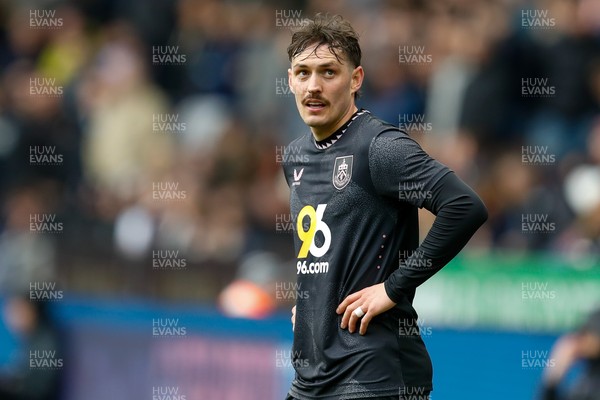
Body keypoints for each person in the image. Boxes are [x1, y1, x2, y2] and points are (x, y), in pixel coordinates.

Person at [281, 14, 488, 399]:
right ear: (290, 79)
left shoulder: (380, 147)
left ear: (356, 79)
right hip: (312, 375)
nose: (313, 86)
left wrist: (393, 288)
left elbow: (464, 206)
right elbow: (323, 248)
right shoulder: (295, 156)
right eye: (303, 72)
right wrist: (311, 306)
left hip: (376, 374)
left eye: (328, 72)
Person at [541, 308, 600, 400]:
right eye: (583, 333)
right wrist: (553, 377)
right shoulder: (587, 377)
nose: (582, 339)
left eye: (589, 333)